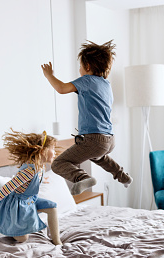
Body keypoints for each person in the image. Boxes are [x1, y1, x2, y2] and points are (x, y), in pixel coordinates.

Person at [41, 40, 132, 195]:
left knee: (58, 163)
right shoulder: (106, 84)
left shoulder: (87, 80)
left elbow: (62, 88)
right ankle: (122, 176)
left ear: (88, 66)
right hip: (109, 139)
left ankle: (82, 178)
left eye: (80, 66)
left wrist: (49, 75)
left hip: (94, 139)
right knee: (98, 157)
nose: (79, 69)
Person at [0, 129, 62, 245]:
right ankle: (10, 226)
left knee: (52, 208)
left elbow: (33, 182)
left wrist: (43, 180)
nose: (55, 152)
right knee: (23, 238)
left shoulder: (41, 167)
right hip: (18, 205)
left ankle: (57, 241)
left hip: (30, 201)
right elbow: (8, 186)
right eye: (52, 149)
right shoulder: (29, 171)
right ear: (43, 151)